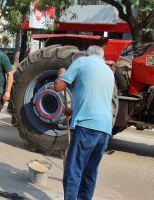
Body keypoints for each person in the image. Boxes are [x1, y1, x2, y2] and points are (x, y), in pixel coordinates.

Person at [54, 45, 114, 200]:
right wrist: (73, 112)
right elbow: (95, 101)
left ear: (88, 54)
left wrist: (61, 75)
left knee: (73, 170)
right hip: (105, 129)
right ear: (101, 56)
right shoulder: (108, 71)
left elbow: (59, 86)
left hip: (86, 127)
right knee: (90, 172)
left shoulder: (82, 62)